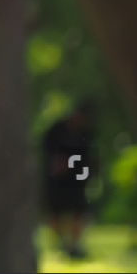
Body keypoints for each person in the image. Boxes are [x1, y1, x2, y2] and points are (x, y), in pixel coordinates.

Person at [41, 99, 97, 260]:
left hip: (76, 180)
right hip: (57, 181)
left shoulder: (86, 133)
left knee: (80, 212)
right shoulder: (57, 130)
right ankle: (62, 244)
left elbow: (88, 157)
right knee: (55, 213)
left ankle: (74, 245)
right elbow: (49, 153)